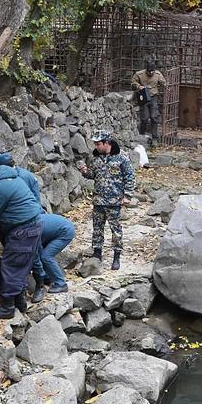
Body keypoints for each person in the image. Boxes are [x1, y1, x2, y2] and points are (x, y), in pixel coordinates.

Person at [0, 159, 43, 319]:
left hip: (23, 230)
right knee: (20, 266)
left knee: (10, 266)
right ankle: (20, 302)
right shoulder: (13, 178)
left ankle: (7, 308)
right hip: (32, 226)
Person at [78, 130, 136, 270]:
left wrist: (127, 196)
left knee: (115, 229)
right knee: (97, 229)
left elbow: (130, 176)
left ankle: (117, 255)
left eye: (98, 144)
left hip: (114, 201)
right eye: (95, 144)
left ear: (107, 143)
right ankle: (97, 253)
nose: (96, 146)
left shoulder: (122, 157)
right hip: (98, 200)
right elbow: (93, 175)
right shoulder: (95, 158)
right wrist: (85, 171)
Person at [30, 213, 76, 299]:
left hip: (65, 231)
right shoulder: (30, 221)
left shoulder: (32, 229)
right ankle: (48, 278)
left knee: (46, 257)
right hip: (58, 228)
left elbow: (35, 251)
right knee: (42, 255)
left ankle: (61, 284)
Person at [131, 61, 167, 142]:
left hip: (153, 97)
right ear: (146, 70)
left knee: (154, 117)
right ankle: (142, 134)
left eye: (152, 71)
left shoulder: (158, 74)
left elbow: (164, 83)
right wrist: (138, 86)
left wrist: (165, 85)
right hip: (143, 97)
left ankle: (155, 137)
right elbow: (133, 82)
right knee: (144, 118)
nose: (150, 73)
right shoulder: (139, 74)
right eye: (149, 71)